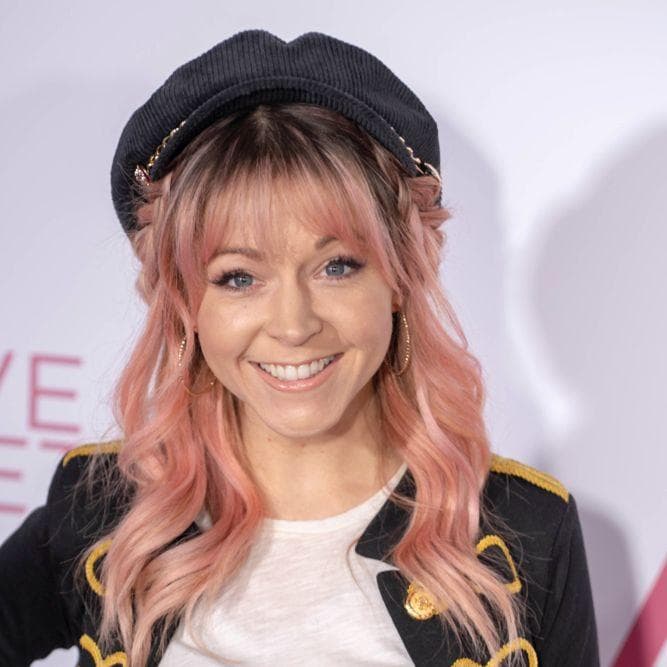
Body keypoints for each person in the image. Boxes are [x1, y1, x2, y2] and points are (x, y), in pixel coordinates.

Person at [0, 29, 600, 667]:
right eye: (239, 277)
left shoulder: (526, 531)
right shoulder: (106, 513)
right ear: (184, 302)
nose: (292, 325)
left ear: (400, 278)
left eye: (337, 266)